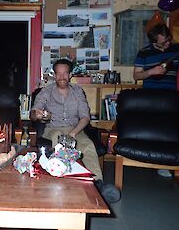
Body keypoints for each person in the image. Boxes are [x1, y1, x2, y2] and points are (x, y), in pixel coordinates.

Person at [30, 59, 120, 204]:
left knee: (88, 146)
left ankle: (97, 185)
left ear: (70, 74)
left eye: (65, 73)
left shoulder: (78, 91)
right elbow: (33, 113)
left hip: (75, 129)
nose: (62, 77)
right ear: (54, 75)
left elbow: (85, 117)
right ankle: (67, 183)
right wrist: (37, 114)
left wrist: (73, 133)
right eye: (58, 74)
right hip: (53, 129)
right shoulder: (45, 92)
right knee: (59, 141)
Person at [133, 23, 179, 177]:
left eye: (168, 39)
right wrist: (151, 71)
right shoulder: (144, 53)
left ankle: (165, 164)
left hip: (170, 96)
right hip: (150, 97)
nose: (168, 43)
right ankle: (147, 162)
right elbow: (136, 76)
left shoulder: (177, 49)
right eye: (164, 42)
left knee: (170, 132)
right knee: (152, 130)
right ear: (154, 41)